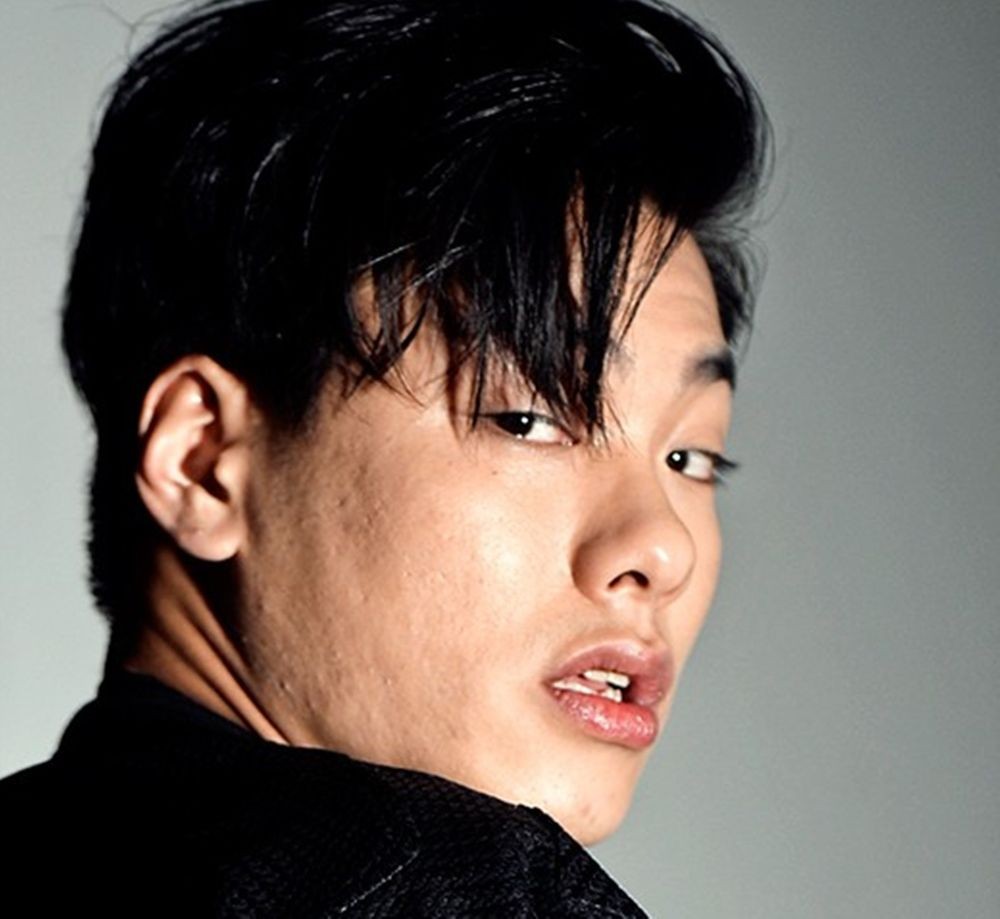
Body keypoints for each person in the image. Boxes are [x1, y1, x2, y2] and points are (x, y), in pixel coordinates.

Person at [1, 0, 769, 913]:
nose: (663, 547)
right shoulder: (449, 885)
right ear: (202, 460)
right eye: (527, 417)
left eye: (692, 456)